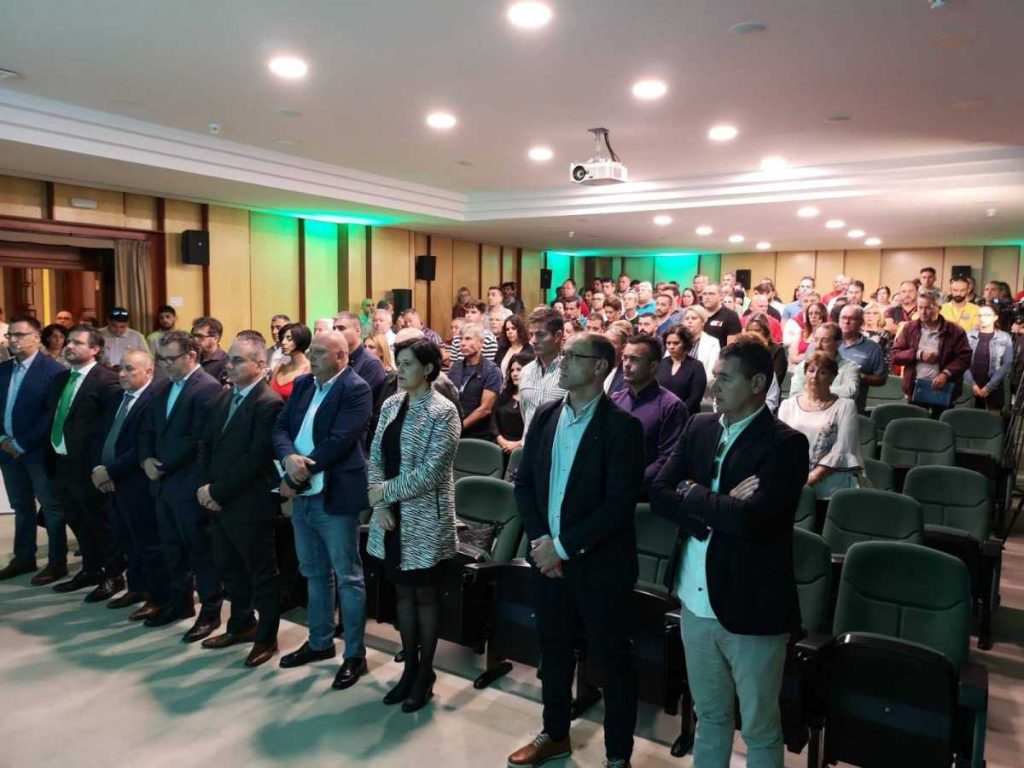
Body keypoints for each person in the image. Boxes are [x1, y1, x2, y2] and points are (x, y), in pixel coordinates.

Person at [650, 338, 809, 768]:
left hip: (751, 606)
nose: (714, 386)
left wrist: (693, 492)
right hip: (694, 599)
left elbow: (756, 522)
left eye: (725, 378)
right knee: (710, 716)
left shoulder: (785, 443)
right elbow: (660, 492)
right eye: (715, 376)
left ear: (757, 383)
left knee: (759, 727)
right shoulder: (699, 426)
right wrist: (717, 506)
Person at [507, 333, 644, 768]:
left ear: (600, 367)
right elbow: (525, 484)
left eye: (572, 356)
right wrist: (539, 541)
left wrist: (562, 548)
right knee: (554, 651)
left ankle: (617, 756)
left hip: (599, 567)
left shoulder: (622, 427)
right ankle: (555, 734)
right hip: (548, 561)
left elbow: (618, 505)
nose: (561, 362)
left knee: (611, 663)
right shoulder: (547, 415)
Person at [273, 331, 374, 689]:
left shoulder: (356, 388)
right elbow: (281, 427)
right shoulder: (303, 385)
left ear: (341, 357)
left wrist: (296, 475)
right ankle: (319, 642)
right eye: (312, 351)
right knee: (314, 572)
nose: (311, 357)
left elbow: (339, 442)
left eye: (319, 352)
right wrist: (288, 457)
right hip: (303, 494)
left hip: (334, 493)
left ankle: (355, 654)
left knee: (347, 576)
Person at [367, 337, 462, 712]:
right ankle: (408, 669)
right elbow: (376, 455)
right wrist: (381, 504)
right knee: (402, 593)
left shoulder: (444, 411)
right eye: (399, 363)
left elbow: (433, 471)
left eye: (407, 364)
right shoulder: (391, 404)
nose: (399, 370)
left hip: (424, 517)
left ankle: (425, 673)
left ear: (428, 368)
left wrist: (384, 492)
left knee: (424, 595)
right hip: (390, 516)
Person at [196, 335, 284, 668]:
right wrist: (206, 487)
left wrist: (217, 492)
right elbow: (206, 444)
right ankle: (241, 624)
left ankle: (266, 637)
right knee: (229, 567)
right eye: (229, 359)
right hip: (218, 499)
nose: (228, 366)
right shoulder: (224, 396)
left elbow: (255, 459)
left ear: (260, 365)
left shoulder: (268, 402)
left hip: (249, 502)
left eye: (237, 360)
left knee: (261, 573)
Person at [139, 330, 225, 640]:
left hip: (188, 482)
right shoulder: (162, 386)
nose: (165, 365)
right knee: (171, 548)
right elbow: (147, 428)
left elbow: (199, 439)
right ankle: (180, 603)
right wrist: (146, 459)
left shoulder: (208, 388)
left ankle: (210, 612)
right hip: (162, 483)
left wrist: (163, 466)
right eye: (160, 359)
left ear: (191, 356)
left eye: (170, 359)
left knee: (200, 552)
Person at [90, 349, 171, 619]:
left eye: (129, 369)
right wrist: (98, 468)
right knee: (126, 539)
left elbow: (142, 446)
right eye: (120, 368)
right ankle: (137, 588)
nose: (122, 374)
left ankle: (158, 597)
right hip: (111, 482)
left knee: (148, 542)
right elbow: (99, 435)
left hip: (136, 483)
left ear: (149, 372)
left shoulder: (155, 399)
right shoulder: (118, 397)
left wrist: (110, 471)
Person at [46, 325, 123, 599]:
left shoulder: (107, 381)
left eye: (77, 342)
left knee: (99, 522)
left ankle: (114, 575)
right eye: (68, 341)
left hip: (89, 466)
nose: (69, 346)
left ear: (95, 349)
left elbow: (110, 428)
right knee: (77, 520)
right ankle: (91, 569)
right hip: (61, 462)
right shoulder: (60, 378)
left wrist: (102, 467)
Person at [0, 315, 69, 583]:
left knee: (51, 507)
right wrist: (3, 440)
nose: (13, 340)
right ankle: (24, 558)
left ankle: (57, 562)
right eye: (10, 335)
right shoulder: (4, 369)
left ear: (37, 338)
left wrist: (21, 443)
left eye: (20, 335)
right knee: (21, 506)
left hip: (37, 452)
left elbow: (51, 415)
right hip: (7, 450)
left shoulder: (53, 371)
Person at [779, 352, 863, 500]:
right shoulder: (787, 405)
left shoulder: (845, 406)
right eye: (811, 370)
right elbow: (779, 446)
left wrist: (810, 479)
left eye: (822, 372)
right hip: (790, 484)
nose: (815, 376)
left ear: (832, 377)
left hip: (829, 490)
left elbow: (842, 449)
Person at [612, 335, 687, 489]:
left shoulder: (672, 406)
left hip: (645, 492)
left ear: (653, 366)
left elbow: (668, 458)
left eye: (634, 359)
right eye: (625, 358)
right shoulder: (614, 400)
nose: (626, 364)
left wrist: (631, 484)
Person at [890, 288, 972, 412]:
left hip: (944, 389)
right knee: (915, 421)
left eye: (928, 308)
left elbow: (964, 358)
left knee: (940, 422)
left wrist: (946, 373)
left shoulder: (955, 331)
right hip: (915, 388)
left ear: (939, 308)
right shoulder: (909, 328)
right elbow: (895, 355)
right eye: (920, 307)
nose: (923, 312)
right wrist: (918, 354)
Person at [448, 323, 503, 441]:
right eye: (461, 339)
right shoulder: (455, 368)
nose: (462, 343)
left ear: (481, 343)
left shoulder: (492, 371)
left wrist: (458, 428)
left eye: (468, 339)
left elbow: (485, 409)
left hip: (479, 436)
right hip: (452, 431)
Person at [519, 308, 566, 434]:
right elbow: (525, 413)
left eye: (540, 334)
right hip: (529, 443)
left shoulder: (570, 373)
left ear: (557, 336)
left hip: (557, 443)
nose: (533, 341)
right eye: (531, 335)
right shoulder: (525, 371)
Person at [789, 322, 861, 402]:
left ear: (838, 343)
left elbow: (850, 392)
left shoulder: (850, 367)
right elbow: (795, 394)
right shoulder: (803, 366)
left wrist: (813, 389)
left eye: (825, 341)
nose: (818, 345)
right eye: (816, 340)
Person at [838, 305, 888, 412]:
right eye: (843, 318)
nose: (846, 322)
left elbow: (881, 379)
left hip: (853, 408)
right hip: (824, 406)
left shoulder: (873, 348)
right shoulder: (828, 342)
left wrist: (859, 376)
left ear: (861, 322)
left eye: (852, 319)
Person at [333, 312, 388, 408]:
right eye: (334, 329)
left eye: (341, 328)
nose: (336, 332)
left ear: (358, 331)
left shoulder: (371, 363)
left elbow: (359, 400)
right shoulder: (335, 359)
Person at [965, 304, 1014, 411]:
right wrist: (972, 385)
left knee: (993, 417)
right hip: (971, 384)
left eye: (987, 315)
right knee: (970, 417)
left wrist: (989, 387)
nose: (982, 318)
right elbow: (962, 362)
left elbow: (1007, 363)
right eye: (980, 315)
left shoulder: (1004, 337)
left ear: (995, 317)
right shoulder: (968, 335)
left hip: (995, 384)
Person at [655, 324, 705, 415]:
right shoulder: (661, 364)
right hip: (661, 414)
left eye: (676, 343)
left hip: (686, 415)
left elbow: (695, 398)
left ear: (685, 343)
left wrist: (676, 412)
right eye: (668, 343)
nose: (671, 347)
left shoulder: (696, 366)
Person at [494, 351, 533, 456]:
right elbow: (493, 421)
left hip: (523, 450)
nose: (514, 374)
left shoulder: (535, 399)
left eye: (519, 369)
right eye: (512, 370)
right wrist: (500, 440)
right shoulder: (505, 395)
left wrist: (518, 444)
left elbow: (535, 428)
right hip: (500, 448)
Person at [682, 306, 721, 394]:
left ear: (703, 322)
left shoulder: (712, 342)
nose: (689, 321)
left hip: (701, 392)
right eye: (687, 319)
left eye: (694, 318)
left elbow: (711, 373)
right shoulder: (677, 340)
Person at [269, 322, 311, 402]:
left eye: (289, 339)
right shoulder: (279, 367)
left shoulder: (310, 369)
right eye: (283, 338)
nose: (283, 342)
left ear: (300, 339)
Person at [449, 300, 499, 364]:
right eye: (467, 312)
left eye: (473, 312)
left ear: (482, 316)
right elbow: (452, 365)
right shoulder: (457, 337)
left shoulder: (489, 339)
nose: (469, 316)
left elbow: (489, 366)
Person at [786, 301, 826, 366]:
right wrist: (807, 358)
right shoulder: (801, 333)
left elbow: (820, 357)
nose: (813, 316)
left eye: (817, 313)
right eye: (810, 313)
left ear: (823, 315)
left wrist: (802, 357)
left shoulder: (827, 335)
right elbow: (792, 358)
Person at [191, 316, 229, 384]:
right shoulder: (193, 357)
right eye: (194, 336)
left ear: (215, 338)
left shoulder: (226, 363)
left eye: (200, 336)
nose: (195, 340)